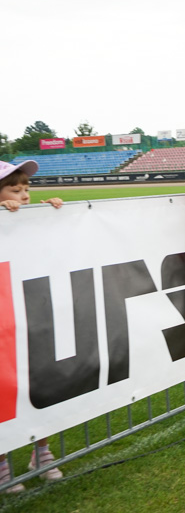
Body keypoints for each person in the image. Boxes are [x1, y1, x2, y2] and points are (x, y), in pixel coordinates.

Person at [0, 160, 64, 492]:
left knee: (40, 383)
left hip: (33, 315)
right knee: (5, 390)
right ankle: (2, 462)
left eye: (27, 189)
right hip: (4, 323)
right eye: (15, 189)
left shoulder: (27, 218)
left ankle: (41, 452)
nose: (24, 195)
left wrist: (51, 214)